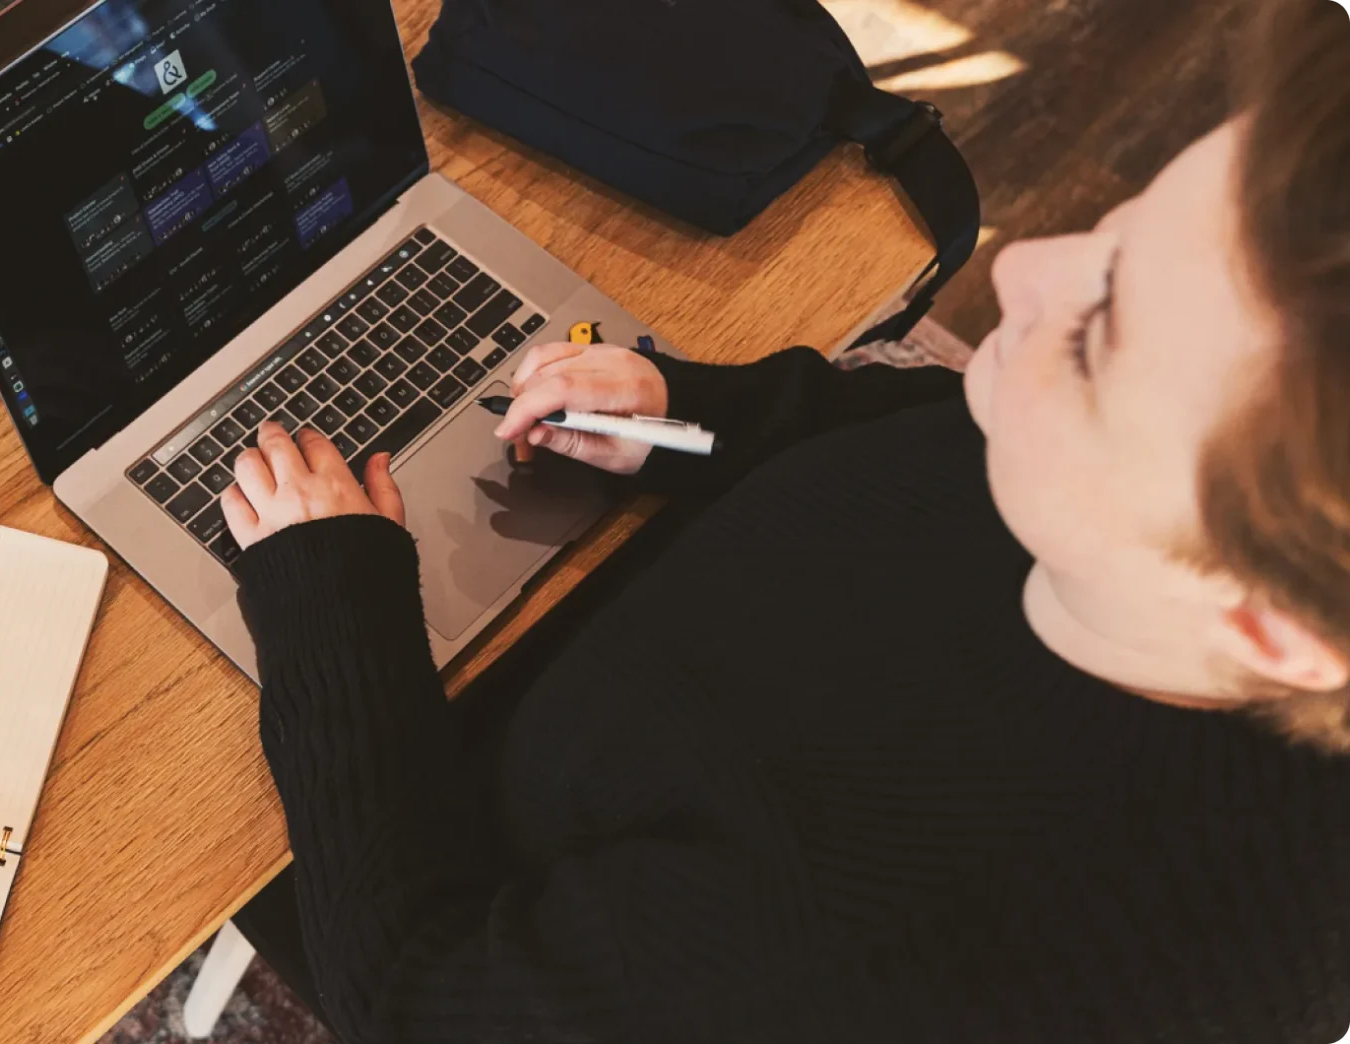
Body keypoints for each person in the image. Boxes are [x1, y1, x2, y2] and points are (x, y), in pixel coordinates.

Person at [214, 1, 1350, 1039]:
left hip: (446, 847)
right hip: (621, 668)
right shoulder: (1138, 515)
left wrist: (331, 600)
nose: (1021, 273)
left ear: (1265, 628)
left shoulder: (865, 953)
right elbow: (927, 431)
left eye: (1098, 335)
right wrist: (692, 417)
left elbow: (412, 995)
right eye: (1117, 227)